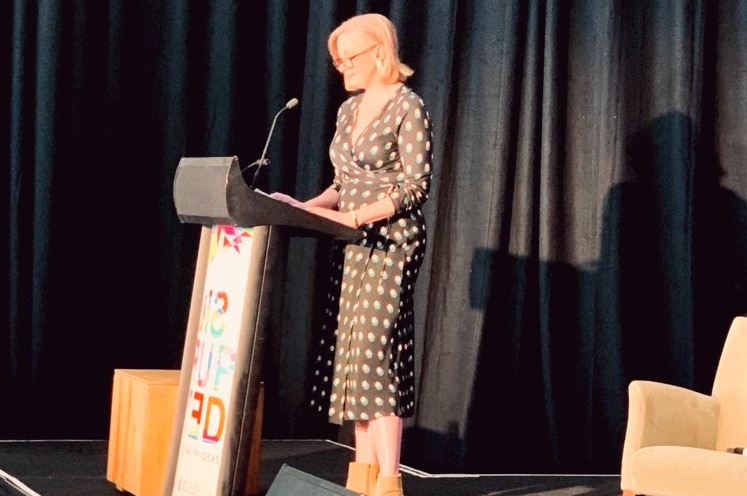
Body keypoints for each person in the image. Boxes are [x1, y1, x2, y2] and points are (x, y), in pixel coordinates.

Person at [272, 12, 434, 496]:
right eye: (338, 62)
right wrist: (304, 207)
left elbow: (415, 187)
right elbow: (343, 186)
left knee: (376, 359)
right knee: (354, 367)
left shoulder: (409, 106)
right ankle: (360, 481)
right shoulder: (347, 112)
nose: (342, 69)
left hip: (392, 244)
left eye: (349, 59)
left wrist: (356, 219)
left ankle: (388, 483)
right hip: (353, 244)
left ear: (379, 53)